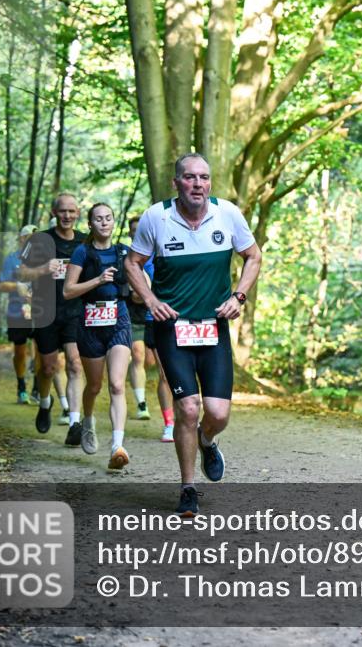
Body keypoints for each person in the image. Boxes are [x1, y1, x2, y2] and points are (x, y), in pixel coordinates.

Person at [126, 153, 262, 516]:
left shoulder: (228, 214)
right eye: (189, 177)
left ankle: (207, 440)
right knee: (188, 408)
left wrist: (239, 296)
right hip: (173, 330)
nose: (197, 184)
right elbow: (132, 263)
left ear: (210, 183)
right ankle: (188, 487)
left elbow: (253, 256)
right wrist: (151, 299)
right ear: (177, 183)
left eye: (203, 177)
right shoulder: (157, 217)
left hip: (213, 327)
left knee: (217, 414)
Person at [63, 203, 133, 469]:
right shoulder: (82, 251)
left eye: (108, 218)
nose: (104, 223)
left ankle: (117, 445)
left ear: (114, 222)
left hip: (119, 320)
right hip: (90, 323)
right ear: (90, 224)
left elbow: (138, 284)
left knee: (116, 384)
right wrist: (98, 281)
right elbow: (68, 291)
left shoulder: (123, 251)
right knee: (94, 386)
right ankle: (88, 421)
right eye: (98, 219)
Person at [19, 193, 86, 440]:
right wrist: (42, 269)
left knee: (75, 363)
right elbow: (22, 273)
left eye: (71, 211)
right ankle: (45, 404)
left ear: (78, 213)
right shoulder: (39, 240)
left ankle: (75, 423)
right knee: (48, 368)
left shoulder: (84, 241)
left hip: (75, 312)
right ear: (54, 213)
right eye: (62, 211)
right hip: (45, 311)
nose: (67, 216)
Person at [128, 215, 176, 442]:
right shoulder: (140, 261)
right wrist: (143, 295)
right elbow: (136, 296)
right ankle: (169, 424)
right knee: (165, 374)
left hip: (188, 319)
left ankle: (189, 416)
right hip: (155, 319)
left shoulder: (178, 250)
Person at [0, 225, 37, 403]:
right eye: (28, 237)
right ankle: (21, 388)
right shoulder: (11, 259)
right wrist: (17, 286)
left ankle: (38, 388)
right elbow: (2, 285)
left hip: (41, 311)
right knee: (20, 351)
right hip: (17, 311)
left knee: (42, 350)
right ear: (21, 239)